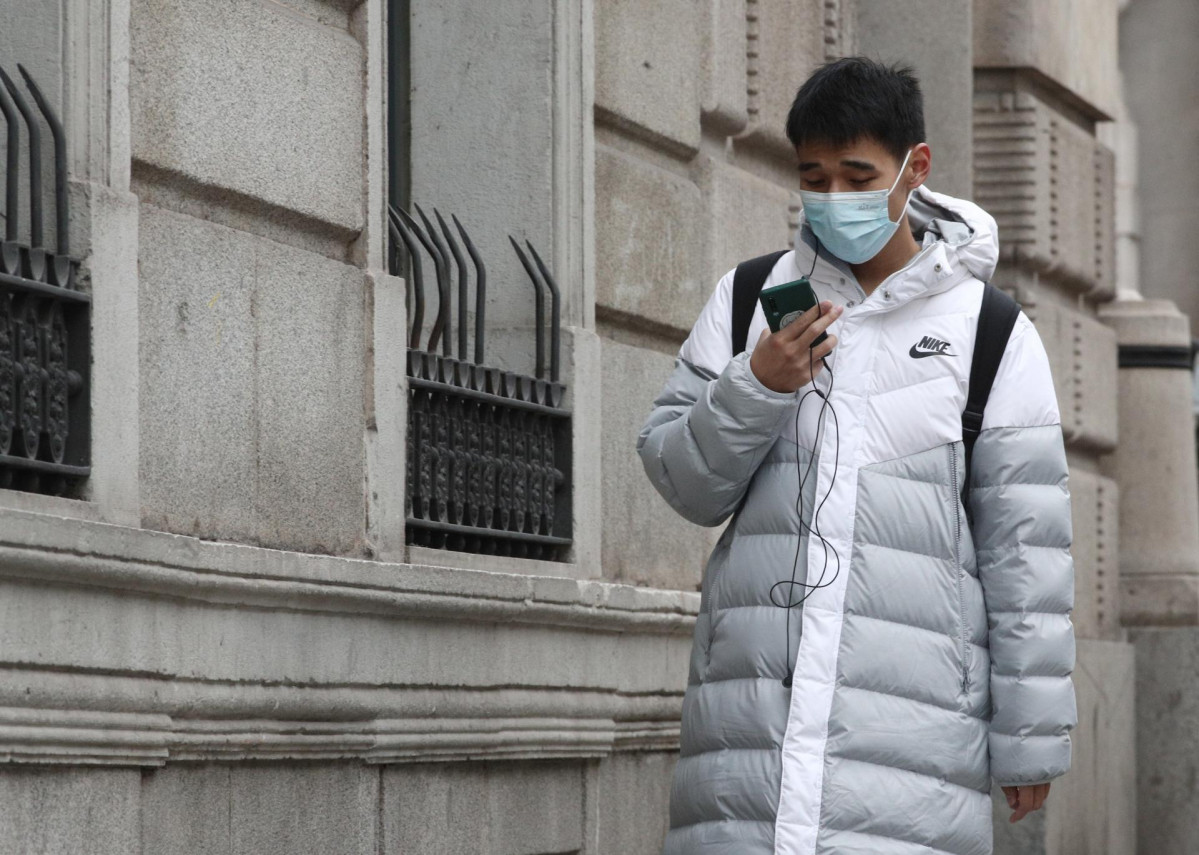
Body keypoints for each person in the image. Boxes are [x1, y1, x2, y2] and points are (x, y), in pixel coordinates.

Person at [636, 57, 1077, 855]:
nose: (833, 198)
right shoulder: (747, 302)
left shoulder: (992, 333)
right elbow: (681, 479)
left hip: (909, 747)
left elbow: (1026, 552)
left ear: (916, 168)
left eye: (855, 174)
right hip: (749, 753)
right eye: (813, 175)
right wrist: (755, 385)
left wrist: (1028, 737)